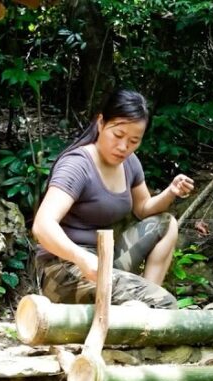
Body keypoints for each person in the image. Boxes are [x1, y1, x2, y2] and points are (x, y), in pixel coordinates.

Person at [31, 89, 194, 309]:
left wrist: (171, 191)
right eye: (117, 135)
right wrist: (81, 258)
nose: (123, 147)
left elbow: (144, 209)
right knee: (163, 303)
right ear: (100, 123)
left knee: (167, 224)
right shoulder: (77, 165)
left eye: (134, 140)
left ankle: (142, 300)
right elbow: (42, 226)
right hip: (64, 270)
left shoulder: (130, 163)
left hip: (104, 260)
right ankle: (143, 306)